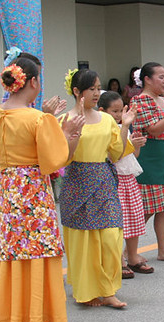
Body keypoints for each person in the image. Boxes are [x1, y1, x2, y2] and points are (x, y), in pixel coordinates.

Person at [0, 57, 84, 322]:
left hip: (9, 187)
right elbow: (54, 161)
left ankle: (15, 315)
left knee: (14, 250)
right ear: (32, 82)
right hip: (31, 188)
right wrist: (65, 133)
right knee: (38, 249)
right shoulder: (37, 118)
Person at [60, 69, 134, 309]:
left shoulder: (106, 119)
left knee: (111, 237)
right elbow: (62, 159)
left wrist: (125, 126)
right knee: (84, 239)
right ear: (76, 92)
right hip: (77, 180)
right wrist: (72, 135)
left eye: (97, 88)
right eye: (91, 89)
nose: (96, 93)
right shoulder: (64, 120)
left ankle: (109, 290)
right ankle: (88, 291)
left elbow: (118, 152)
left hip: (103, 180)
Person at [130, 62, 164, 263]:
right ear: (147, 79)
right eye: (161, 77)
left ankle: (163, 249)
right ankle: (129, 250)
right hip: (149, 155)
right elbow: (153, 129)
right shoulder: (141, 100)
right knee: (145, 207)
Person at [97, 91, 153, 278]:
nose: (119, 115)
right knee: (119, 222)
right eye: (115, 111)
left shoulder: (124, 126)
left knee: (134, 217)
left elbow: (132, 156)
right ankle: (119, 259)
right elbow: (115, 156)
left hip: (129, 177)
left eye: (121, 110)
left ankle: (133, 255)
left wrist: (136, 145)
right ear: (102, 111)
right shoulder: (103, 129)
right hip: (115, 179)